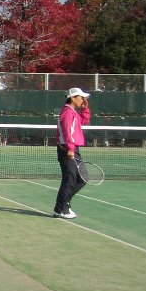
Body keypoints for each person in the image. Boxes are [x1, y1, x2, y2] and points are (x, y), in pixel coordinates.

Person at [53, 87, 92, 219]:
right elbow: (67, 131)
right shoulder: (67, 112)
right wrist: (70, 148)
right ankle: (61, 210)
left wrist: (85, 109)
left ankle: (63, 205)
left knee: (82, 178)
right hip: (67, 150)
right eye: (81, 98)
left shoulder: (73, 112)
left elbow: (83, 121)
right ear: (73, 98)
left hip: (73, 149)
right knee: (69, 180)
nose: (83, 100)